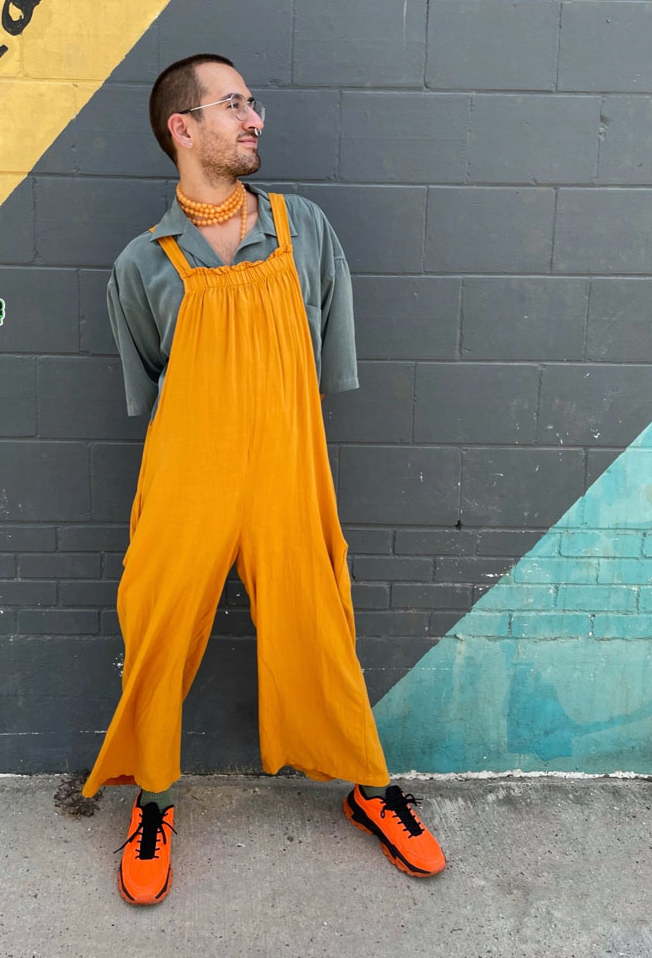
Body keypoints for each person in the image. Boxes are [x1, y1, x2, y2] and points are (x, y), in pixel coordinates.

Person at [80, 53, 446, 903]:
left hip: (286, 458)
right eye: (234, 104)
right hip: (188, 473)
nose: (255, 119)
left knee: (319, 620)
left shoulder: (303, 228)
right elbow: (153, 381)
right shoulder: (142, 263)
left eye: (253, 104)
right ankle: (154, 799)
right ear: (183, 128)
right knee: (157, 624)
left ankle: (368, 785)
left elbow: (322, 362)